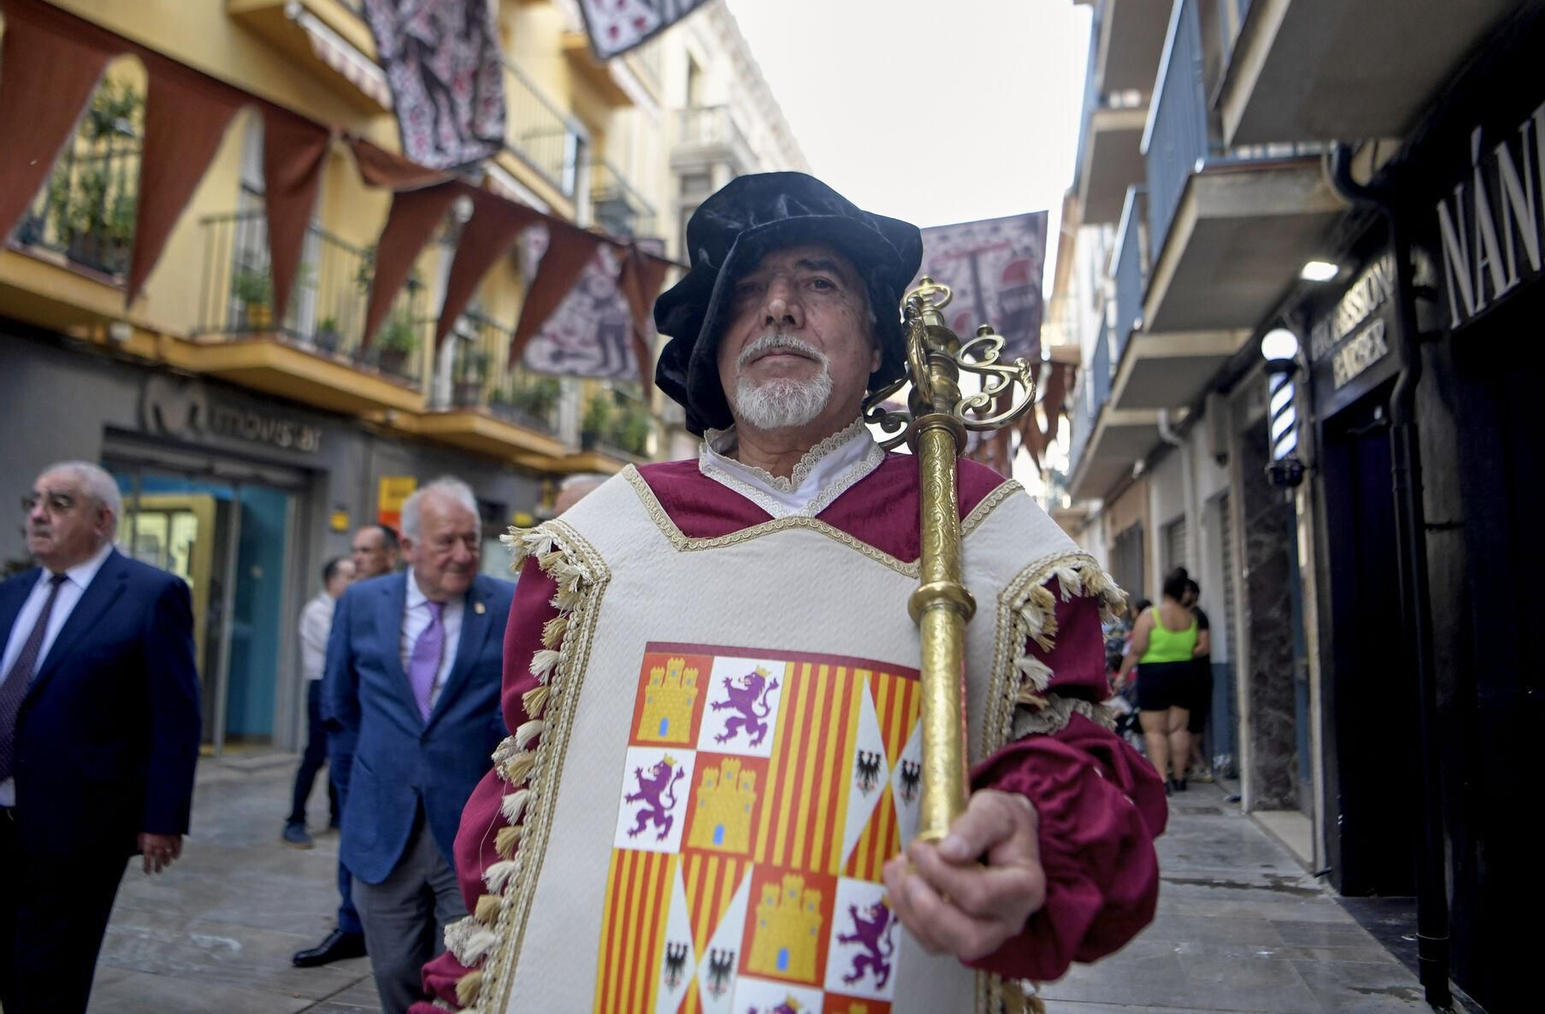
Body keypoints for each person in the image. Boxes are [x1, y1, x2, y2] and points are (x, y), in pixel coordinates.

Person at [414, 173, 1165, 1013]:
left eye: (818, 282)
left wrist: (1038, 830)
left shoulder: (985, 538)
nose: (778, 307)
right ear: (713, 341)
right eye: (746, 291)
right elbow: (518, 825)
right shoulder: (596, 547)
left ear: (878, 343)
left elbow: (1088, 773)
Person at [0, 461, 201, 1013]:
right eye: (35, 502)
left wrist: (162, 817)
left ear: (102, 520)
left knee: (49, 975)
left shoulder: (148, 594)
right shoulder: (12, 592)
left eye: (59, 503)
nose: (38, 515)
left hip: (79, 826)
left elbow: (175, 716)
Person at [324, 479, 514, 1014]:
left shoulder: (503, 605)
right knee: (393, 971)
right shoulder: (362, 604)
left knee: (462, 979)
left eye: (472, 541)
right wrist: (358, 792)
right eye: (446, 541)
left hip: (469, 835)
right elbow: (340, 711)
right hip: (382, 829)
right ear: (408, 547)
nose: (463, 555)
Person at [295, 524, 401, 969]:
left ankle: (389, 924)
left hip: (391, 740)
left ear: (391, 555)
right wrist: (342, 732)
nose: (356, 558)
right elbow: (336, 672)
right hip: (350, 737)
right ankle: (350, 924)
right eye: (354, 550)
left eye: (366, 550)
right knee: (354, 831)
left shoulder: (402, 600)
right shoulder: (350, 601)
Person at [283, 556, 357, 848]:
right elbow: (338, 648)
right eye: (348, 576)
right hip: (321, 687)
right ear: (332, 580)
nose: (354, 582)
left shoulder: (345, 610)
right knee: (315, 755)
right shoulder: (317, 611)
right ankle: (294, 820)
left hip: (341, 686)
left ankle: (336, 816)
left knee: (339, 749)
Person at [1115, 567, 1198, 794]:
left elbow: (1137, 649)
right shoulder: (1190, 617)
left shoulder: (1151, 616)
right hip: (1185, 673)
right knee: (1179, 728)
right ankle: (1180, 779)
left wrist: (1121, 675)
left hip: (1154, 674)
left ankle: (1162, 780)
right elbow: (1193, 646)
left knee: (1155, 731)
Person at [1182, 578, 1214, 782]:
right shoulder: (1183, 616)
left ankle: (1200, 764)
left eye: (1185, 591)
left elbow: (1204, 646)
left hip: (1198, 677)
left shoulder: (1198, 616)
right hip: (1185, 676)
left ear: (1193, 594)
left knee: (1193, 724)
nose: (1182, 595)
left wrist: (1180, 653)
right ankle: (1191, 764)